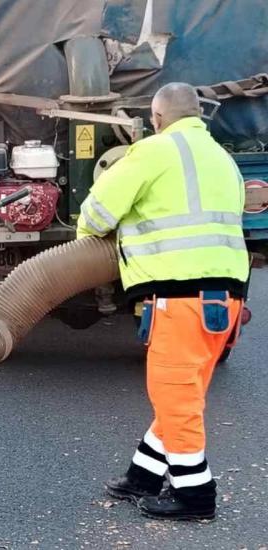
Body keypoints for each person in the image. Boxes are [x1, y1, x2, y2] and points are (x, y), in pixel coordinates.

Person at [77, 82, 249, 520]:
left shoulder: (153, 152)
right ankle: (144, 476)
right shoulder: (223, 159)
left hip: (181, 298)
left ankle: (196, 495)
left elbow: (97, 213)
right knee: (181, 392)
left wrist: (85, 247)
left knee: (175, 398)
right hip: (224, 300)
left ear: (156, 117)